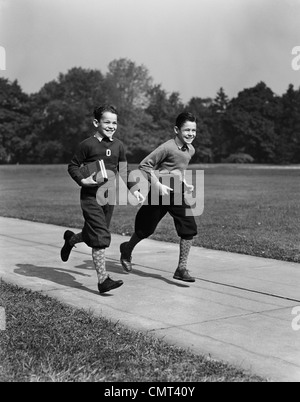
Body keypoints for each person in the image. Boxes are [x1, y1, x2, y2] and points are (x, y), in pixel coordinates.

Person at [61, 105, 144, 294]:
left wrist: (135, 189)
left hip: (109, 197)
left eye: (114, 122)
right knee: (100, 236)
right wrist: (83, 179)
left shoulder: (118, 145)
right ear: (96, 122)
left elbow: (124, 170)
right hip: (90, 197)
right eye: (107, 122)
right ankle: (103, 280)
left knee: (94, 234)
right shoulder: (87, 145)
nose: (111, 126)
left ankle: (71, 240)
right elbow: (73, 166)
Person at [120, 112, 198, 282]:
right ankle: (126, 249)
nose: (191, 134)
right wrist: (158, 185)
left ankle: (181, 268)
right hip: (159, 192)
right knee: (145, 229)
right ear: (176, 130)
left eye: (193, 130)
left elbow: (178, 170)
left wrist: (185, 183)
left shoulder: (190, 149)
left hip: (176, 192)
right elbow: (144, 165)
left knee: (189, 227)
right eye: (187, 130)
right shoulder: (167, 147)